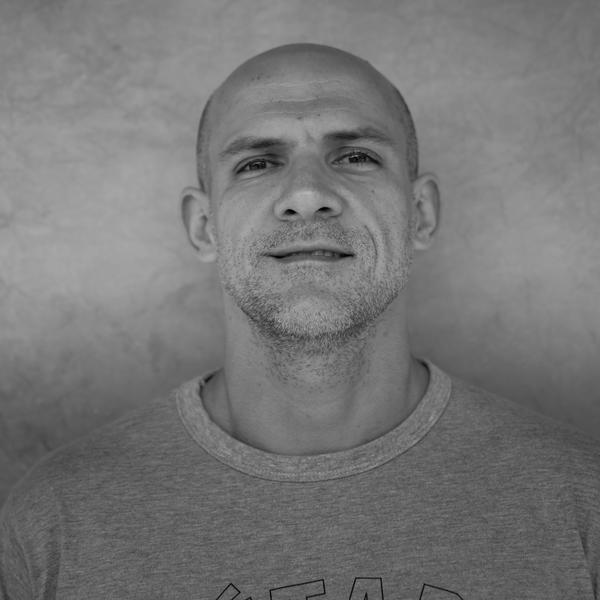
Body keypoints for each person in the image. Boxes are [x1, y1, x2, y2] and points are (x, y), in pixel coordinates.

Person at [1, 43, 599, 600]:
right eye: (258, 163)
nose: (308, 194)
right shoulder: (56, 520)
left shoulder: (581, 501)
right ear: (204, 227)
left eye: (357, 157)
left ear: (420, 212)